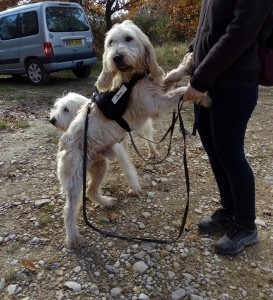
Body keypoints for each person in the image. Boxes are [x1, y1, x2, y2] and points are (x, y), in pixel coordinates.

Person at [183, 0, 273, 255]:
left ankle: (246, 226)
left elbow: (240, 32)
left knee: (231, 154)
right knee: (214, 149)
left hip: (235, 85)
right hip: (209, 81)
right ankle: (229, 211)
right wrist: (191, 51)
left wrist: (199, 81)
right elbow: (208, 27)